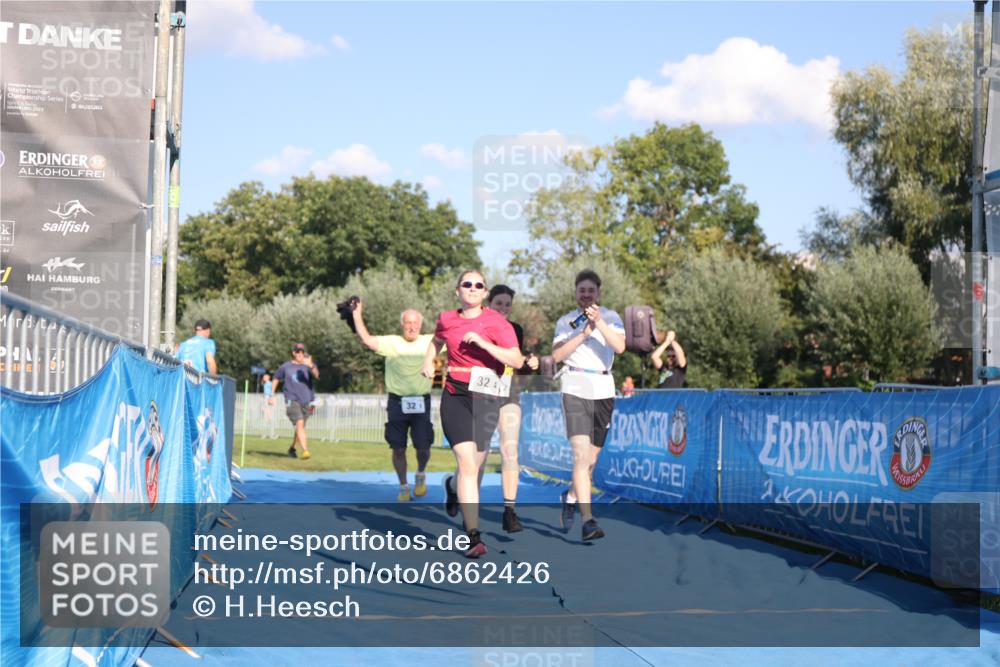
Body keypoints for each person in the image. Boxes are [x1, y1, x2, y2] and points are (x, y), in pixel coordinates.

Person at [421, 270, 523, 558]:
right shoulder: (447, 318)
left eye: (479, 285)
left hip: (487, 398)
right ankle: (473, 536)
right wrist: (429, 361)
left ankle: (452, 487)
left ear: (484, 291)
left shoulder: (496, 322)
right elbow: (436, 340)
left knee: (474, 467)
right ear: (458, 291)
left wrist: (483, 343)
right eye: (467, 284)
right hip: (455, 395)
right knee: (467, 464)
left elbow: (515, 358)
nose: (473, 288)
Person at [552, 269, 625, 541]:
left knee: (591, 460)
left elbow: (620, 348)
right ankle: (588, 520)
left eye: (590, 290)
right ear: (575, 293)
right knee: (581, 457)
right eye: (581, 290)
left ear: (598, 293)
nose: (586, 295)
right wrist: (583, 333)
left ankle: (570, 495)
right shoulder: (566, 321)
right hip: (575, 386)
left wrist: (599, 324)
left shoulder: (612, 317)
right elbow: (558, 355)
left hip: (604, 388)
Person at [351, 300, 436, 502]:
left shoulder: (430, 342)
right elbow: (367, 340)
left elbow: (456, 340)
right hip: (397, 403)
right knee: (398, 447)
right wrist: (356, 315)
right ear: (402, 325)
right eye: (408, 323)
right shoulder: (391, 343)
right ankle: (404, 485)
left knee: (423, 447)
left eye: (415, 323)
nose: (412, 327)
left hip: (421, 402)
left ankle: (420, 474)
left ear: (421, 325)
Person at [484, 284, 539, 533]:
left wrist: (529, 364)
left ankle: (509, 511)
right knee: (477, 456)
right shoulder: (477, 325)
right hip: (480, 394)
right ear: (489, 304)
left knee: (510, 451)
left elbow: (518, 365)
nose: (504, 309)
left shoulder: (515, 329)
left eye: (508, 305)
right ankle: (454, 488)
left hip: (508, 394)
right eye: (499, 304)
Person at [272, 343, 319, 460]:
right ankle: (305, 451)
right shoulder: (286, 367)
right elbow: (276, 378)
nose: (300, 354)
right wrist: (271, 395)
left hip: (307, 400)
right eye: (298, 351)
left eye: (302, 352)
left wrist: (311, 366)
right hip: (291, 399)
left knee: (300, 427)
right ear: (293, 353)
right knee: (299, 423)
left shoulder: (308, 366)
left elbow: (317, 376)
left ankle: (292, 448)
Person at [261, 373, 277, 438]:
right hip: (266, 397)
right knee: (265, 412)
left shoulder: (270, 383)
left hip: (268, 397)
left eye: (265, 377)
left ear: (268, 378)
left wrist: (271, 398)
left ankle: (269, 415)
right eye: (263, 377)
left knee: (269, 412)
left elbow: (272, 391)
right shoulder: (264, 384)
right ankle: (267, 415)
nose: (263, 378)